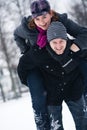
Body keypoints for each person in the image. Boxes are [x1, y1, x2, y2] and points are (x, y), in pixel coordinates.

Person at [14, 0, 87, 129]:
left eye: (44, 17)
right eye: (37, 19)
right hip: (36, 63)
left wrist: (74, 47)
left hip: (60, 58)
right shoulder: (27, 26)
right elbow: (17, 35)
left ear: (51, 13)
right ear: (33, 18)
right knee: (39, 99)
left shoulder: (61, 21)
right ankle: (43, 125)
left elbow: (84, 33)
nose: (42, 22)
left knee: (82, 64)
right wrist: (25, 50)